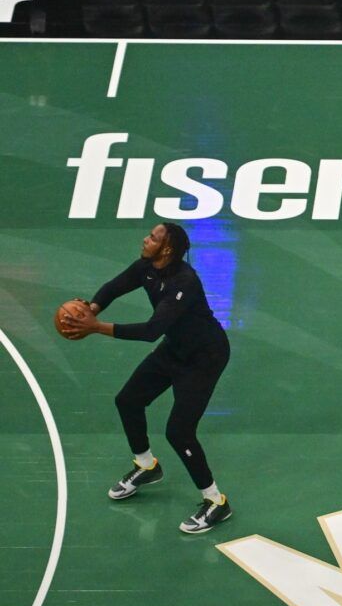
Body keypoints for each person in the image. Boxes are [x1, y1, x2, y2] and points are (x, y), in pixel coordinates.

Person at [65, 223, 235, 535]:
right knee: (128, 401)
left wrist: (95, 327)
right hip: (175, 349)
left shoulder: (183, 282)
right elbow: (114, 286)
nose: (146, 239)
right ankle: (147, 466)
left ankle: (216, 502)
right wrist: (91, 308)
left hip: (204, 358)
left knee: (179, 432)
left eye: (153, 238)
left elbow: (150, 331)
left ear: (167, 248)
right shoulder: (147, 267)